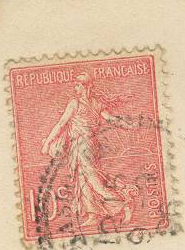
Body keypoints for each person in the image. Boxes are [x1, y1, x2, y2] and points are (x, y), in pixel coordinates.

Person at [40, 72, 138, 231]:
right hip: (79, 145)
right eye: (75, 84)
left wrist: (48, 143)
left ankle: (125, 203)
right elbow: (62, 123)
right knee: (82, 180)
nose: (75, 87)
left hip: (85, 145)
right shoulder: (86, 103)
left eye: (78, 84)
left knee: (94, 181)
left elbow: (61, 124)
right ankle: (93, 214)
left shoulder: (79, 103)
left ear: (87, 86)